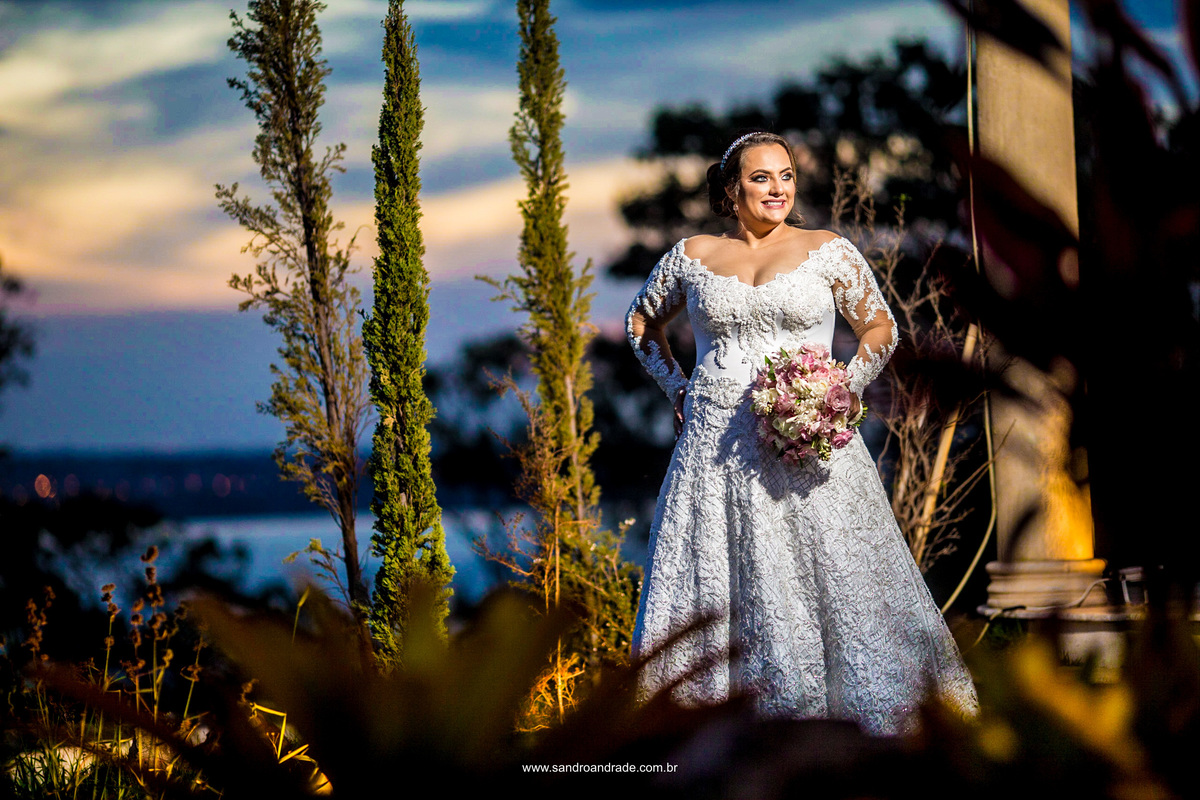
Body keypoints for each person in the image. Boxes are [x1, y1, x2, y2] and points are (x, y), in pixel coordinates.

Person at [625, 131, 978, 734]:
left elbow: (879, 329)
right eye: (761, 177)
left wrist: (841, 391)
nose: (778, 188)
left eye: (786, 175)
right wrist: (678, 389)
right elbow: (641, 323)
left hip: (809, 447)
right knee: (716, 580)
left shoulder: (828, 250)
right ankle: (712, 734)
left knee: (837, 577)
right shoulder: (692, 255)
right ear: (732, 188)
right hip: (714, 450)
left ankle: (860, 728)